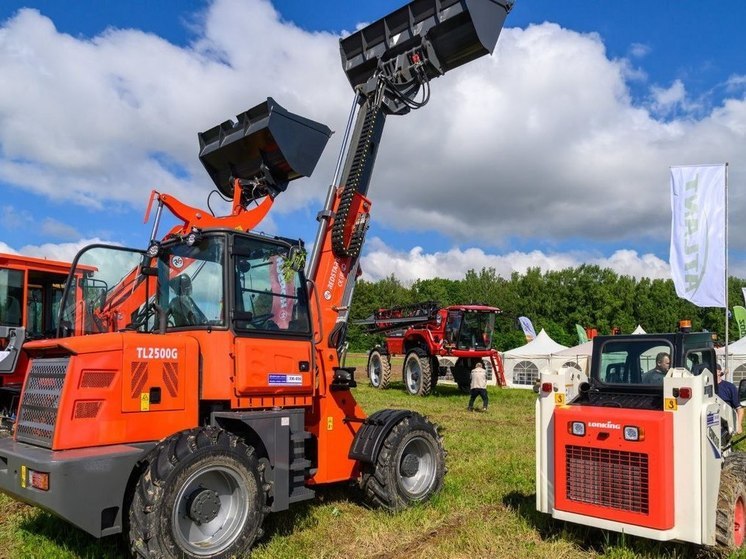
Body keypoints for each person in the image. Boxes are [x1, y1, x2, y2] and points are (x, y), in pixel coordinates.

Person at [716, 364, 744, 435]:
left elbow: (739, 408)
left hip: (725, 425)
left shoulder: (729, 387)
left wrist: (739, 424)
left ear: (719, 372)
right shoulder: (700, 387)